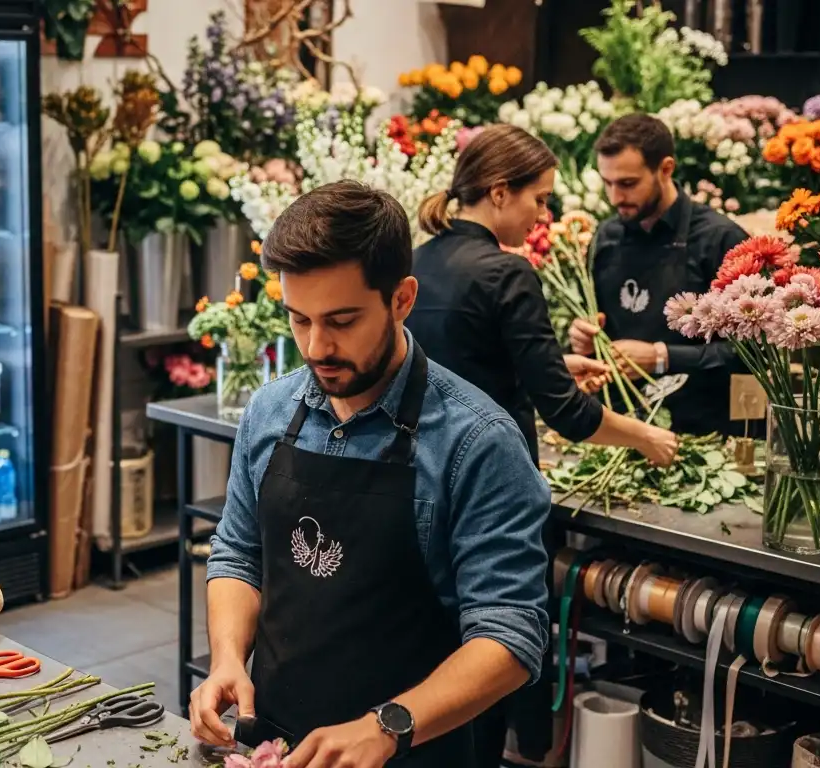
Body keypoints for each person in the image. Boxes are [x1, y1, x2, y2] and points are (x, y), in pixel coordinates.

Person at [192, 180, 552, 768]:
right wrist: (228, 657)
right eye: (299, 319)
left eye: (342, 320)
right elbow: (237, 553)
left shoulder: (478, 442)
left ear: (402, 299)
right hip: (277, 744)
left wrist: (388, 726)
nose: (316, 345)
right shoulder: (269, 412)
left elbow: (511, 636)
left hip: (415, 751)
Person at [407, 124, 677, 768]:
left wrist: (550, 363)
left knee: (438, 642)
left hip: (419, 481)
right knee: (497, 641)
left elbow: (455, 361)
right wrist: (644, 435)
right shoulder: (507, 271)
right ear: (500, 192)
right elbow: (567, 414)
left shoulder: (420, 260)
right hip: (492, 493)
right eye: (540, 198)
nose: (544, 214)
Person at [569, 114, 750, 436]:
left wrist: (661, 357)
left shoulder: (720, 240)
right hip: (621, 426)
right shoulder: (606, 235)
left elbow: (752, 353)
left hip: (702, 432)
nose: (614, 198)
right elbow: (595, 324)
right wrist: (583, 338)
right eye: (607, 183)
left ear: (666, 169)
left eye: (627, 183)